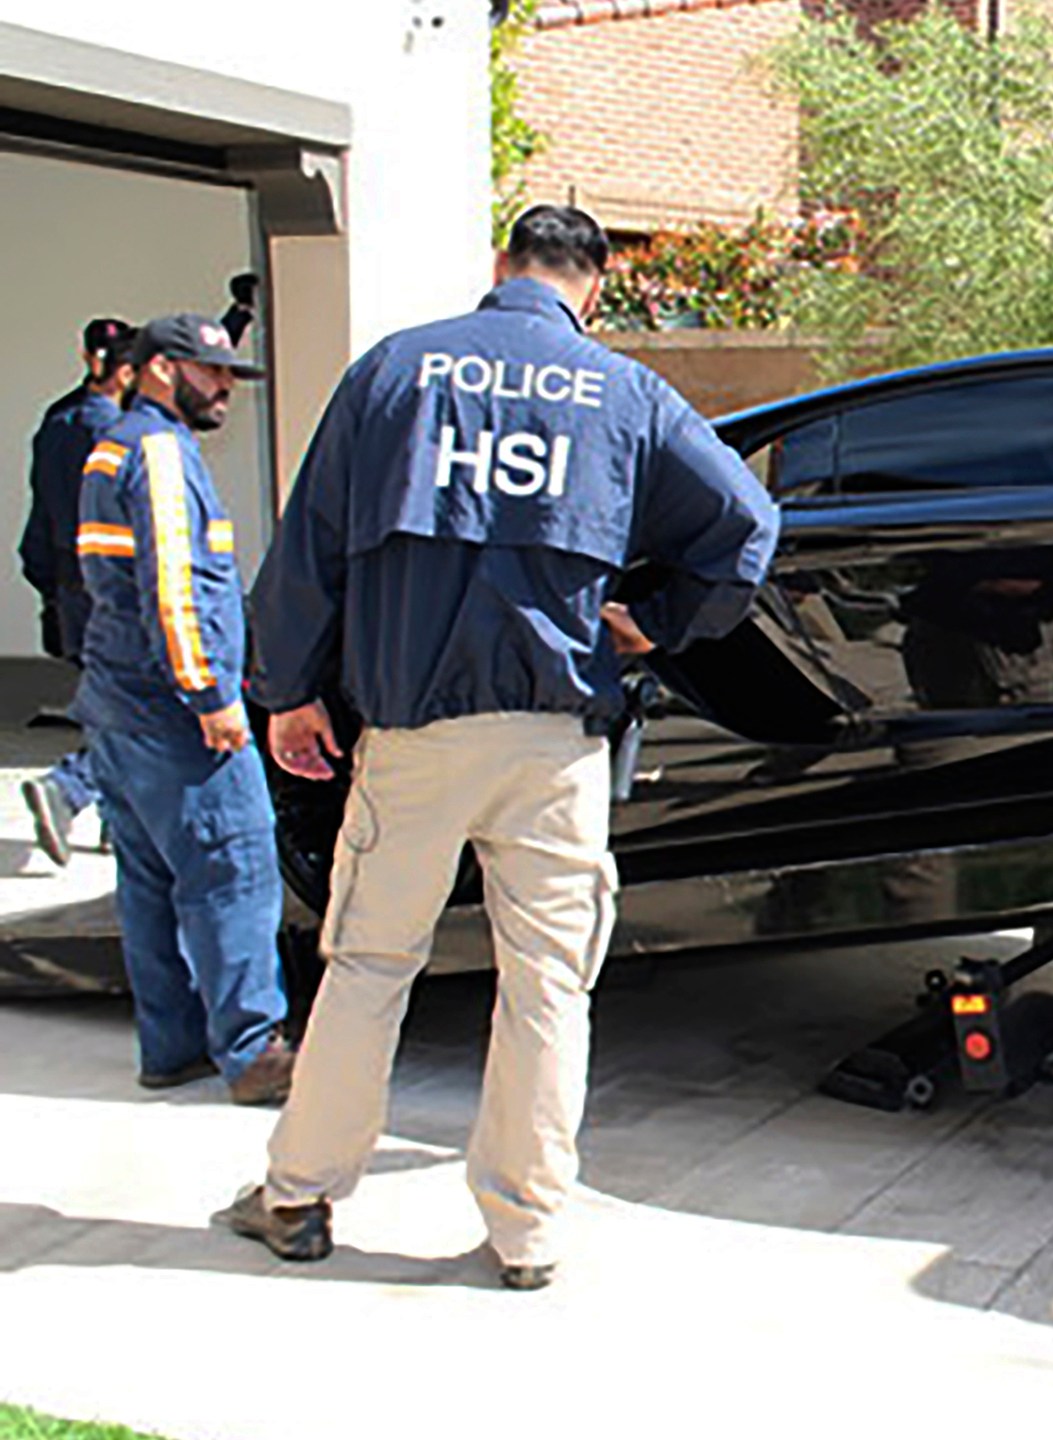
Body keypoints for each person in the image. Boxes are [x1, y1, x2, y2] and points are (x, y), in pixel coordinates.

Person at [219, 205, 778, 1289]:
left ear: (498, 269)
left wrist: (288, 692)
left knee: (370, 966)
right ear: (597, 288)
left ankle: (298, 1196)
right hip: (554, 743)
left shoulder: (393, 373)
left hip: (413, 735)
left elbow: (310, 547)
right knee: (547, 987)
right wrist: (661, 623)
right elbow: (746, 526)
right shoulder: (626, 392)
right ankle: (526, 1231)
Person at [73, 314, 293, 1104]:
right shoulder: (161, 453)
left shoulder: (114, 441)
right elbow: (174, 585)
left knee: (149, 879)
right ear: (163, 369)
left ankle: (168, 1045)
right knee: (232, 868)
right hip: (173, 711)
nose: (227, 387)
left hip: (117, 701)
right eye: (213, 372)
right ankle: (252, 1050)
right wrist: (211, 696)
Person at [19, 319, 136, 865]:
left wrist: (48, 589)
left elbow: (38, 522)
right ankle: (68, 789)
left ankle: (119, 821)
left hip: (69, 590)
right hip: (112, 590)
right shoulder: (117, 434)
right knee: (137, 707)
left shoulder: (57, 422)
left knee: (110, 702)